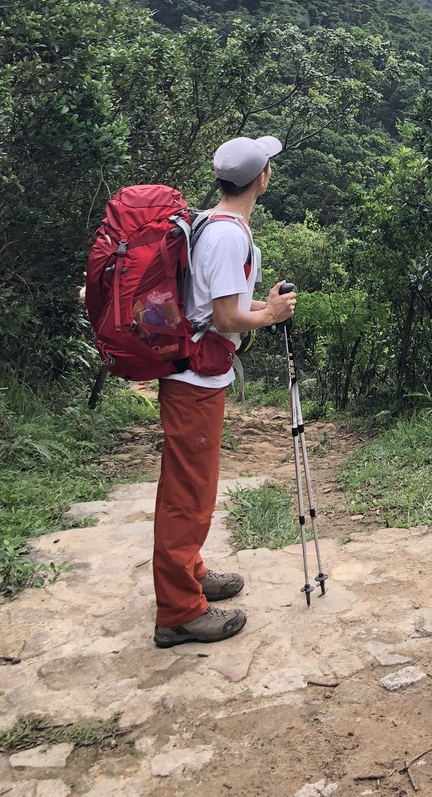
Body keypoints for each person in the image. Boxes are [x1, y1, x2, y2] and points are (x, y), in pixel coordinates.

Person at [152, 135, 296, 648]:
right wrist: (270, 314)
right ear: (262, 178)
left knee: (193, 488)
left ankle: (190, 574)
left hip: (195, 374)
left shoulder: (211, 223)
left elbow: (222, 305)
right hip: (194, 379)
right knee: (188, 496)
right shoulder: (229, 234)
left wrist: (262, 305)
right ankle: (179, 612)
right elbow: (225, 317)